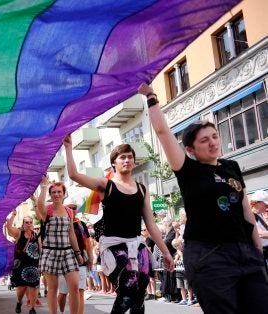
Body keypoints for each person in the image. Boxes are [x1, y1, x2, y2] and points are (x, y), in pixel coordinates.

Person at [140, 82, 268, 314]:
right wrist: (150, 95)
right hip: (209, 255)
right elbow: (162, 132)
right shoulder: (187, 169)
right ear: (191, 149)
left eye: (214, 136)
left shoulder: (232, 166)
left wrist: (256, 246)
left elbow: (245, 207)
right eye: (204, 140)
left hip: (245, 251)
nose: (212, 142)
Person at [63, 134, 173, 314]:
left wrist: (166, 252)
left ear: (134, 162)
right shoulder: (106, 185)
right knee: (128, 290)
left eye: (130, 156)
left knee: (140, 292)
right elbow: (74, 175)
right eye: (123, 156)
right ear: (114, 162)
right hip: (115, 247)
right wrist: (68, 148)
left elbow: (151, 225)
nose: (127, 159)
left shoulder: (142, 189)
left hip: (137, 246)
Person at [34, 178, 83, 314]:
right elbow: (39, 203)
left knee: (74, 286)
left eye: (59, 192)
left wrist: (78, 252)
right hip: (50, 253)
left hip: (67, 252)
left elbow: (71, 232)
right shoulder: (47, 210)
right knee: (53, 288)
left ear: (64, 193)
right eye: (53, 192)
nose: (56, 194)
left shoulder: (69, 211)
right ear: (50, 195)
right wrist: (44, 186)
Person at [58, 200, 93, 314]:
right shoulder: (59, 223)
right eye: (70, 207)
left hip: (81, 261)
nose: (72, 210)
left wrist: (91, 258)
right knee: (63, 293)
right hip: (64, 262)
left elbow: (88, 242)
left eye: (74, 208)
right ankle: (61, 311)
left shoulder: (81, 224)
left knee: (80, 291)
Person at [6, 212, 41, 314]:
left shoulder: (36, 235)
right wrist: (13, 215)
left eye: (30, 222)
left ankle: (32, 308)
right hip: (20, 265)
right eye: (26, 222)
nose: (29, 224)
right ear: (23, 224)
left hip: (33, 264)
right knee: (22, 287)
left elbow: (40, 248)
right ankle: (19, 301)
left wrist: (42, 261)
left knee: (33, 286)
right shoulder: (19, 233)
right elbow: (8, 226)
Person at [250, 190, 268, 265]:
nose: (267, 207)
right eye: (265, 204)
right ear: (257, 202)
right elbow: (260, 234)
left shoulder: (259, 214)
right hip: (261, 253)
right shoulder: (250, 216)